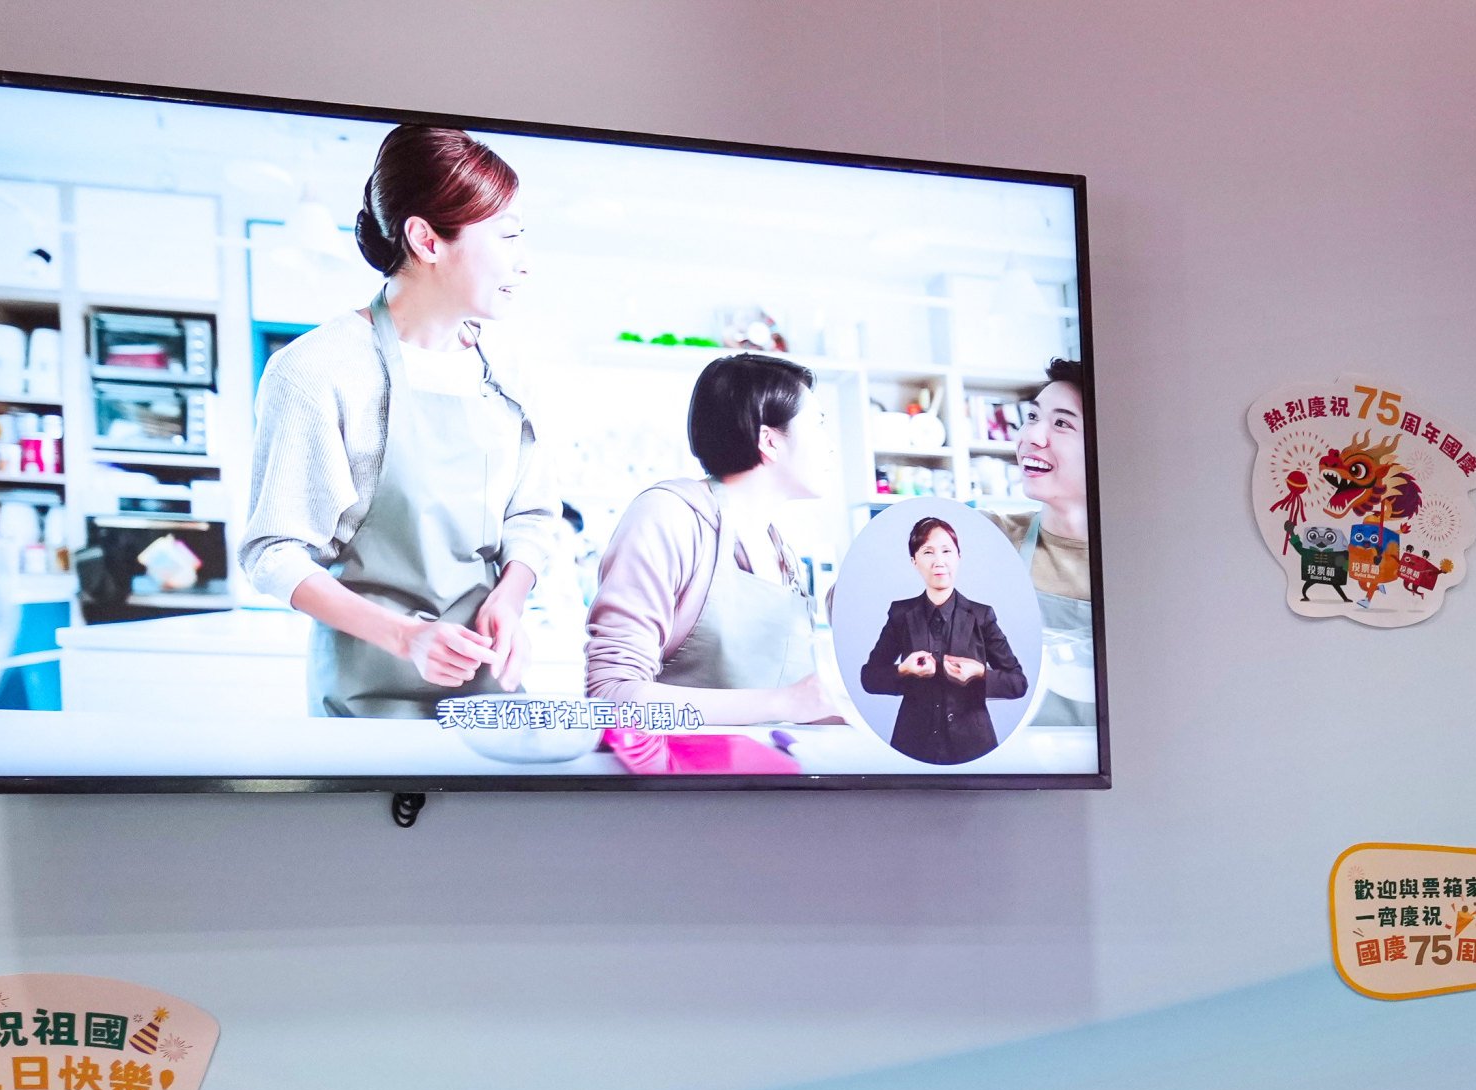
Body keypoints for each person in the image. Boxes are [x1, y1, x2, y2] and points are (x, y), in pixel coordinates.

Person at [241, 123, 566, 718]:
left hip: (488, 692)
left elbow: (533, 516)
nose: (524, 264)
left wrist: (512, 596)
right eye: (508, 236)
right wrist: (404, 637)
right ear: (427, 239)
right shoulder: (316, 370)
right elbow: (275, 552)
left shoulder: (511, 374)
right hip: (366, 698)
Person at [583, 353, 845, 728]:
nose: (830, 446)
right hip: (682, 781)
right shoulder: (669, 515)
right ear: (769, 441)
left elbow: (788, 703)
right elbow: (611, 695)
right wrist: (785, 704)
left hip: (767, 779)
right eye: (819, 425)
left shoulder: (779, 550)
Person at [858, 513, 1025, 764]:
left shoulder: (981, 615)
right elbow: (869, 678)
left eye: (947, 551)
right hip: (912, 745)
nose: (939, 561)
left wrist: (980, 673)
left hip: (973, 746)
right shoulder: (901, 614)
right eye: (928, 552)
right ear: (914, 561)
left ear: (958, 557)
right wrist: (903, 670)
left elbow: (1017, 683)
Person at [1001, 359, 1096, 732]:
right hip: (1021, 769)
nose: (1032, 438)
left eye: (1062, 423)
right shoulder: (990, 539)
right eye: (1031, 417)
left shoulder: (1147, 555)